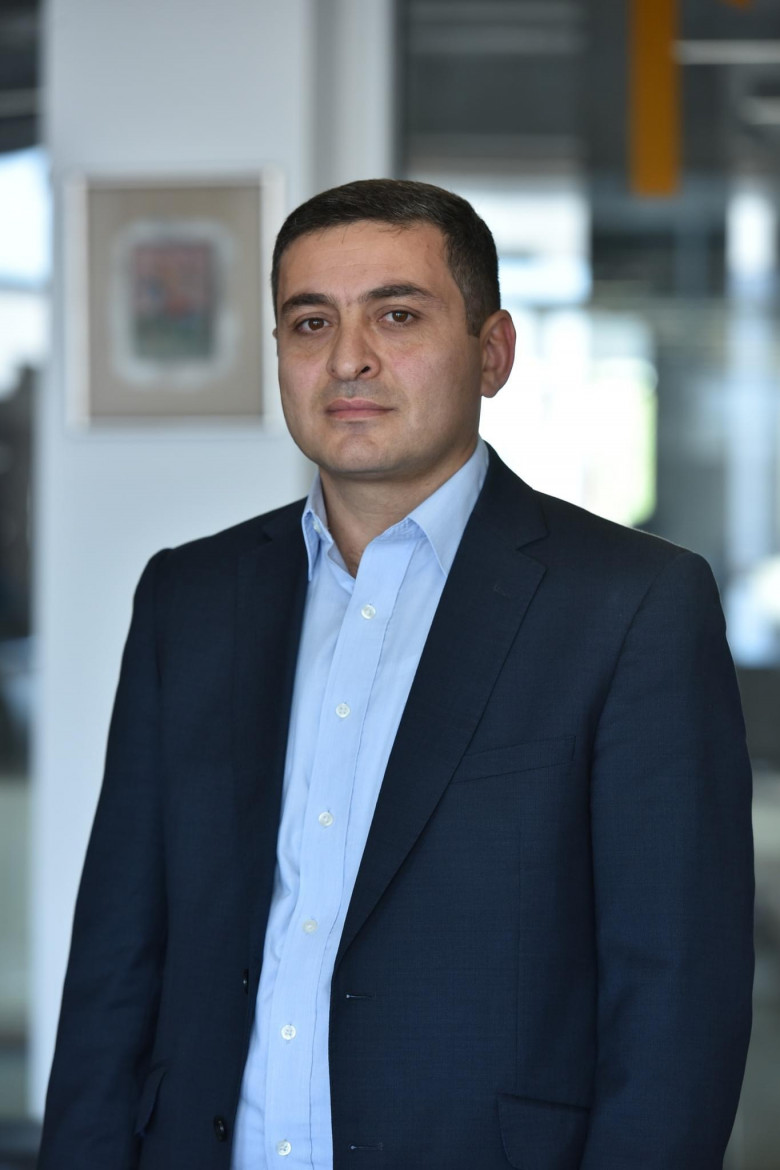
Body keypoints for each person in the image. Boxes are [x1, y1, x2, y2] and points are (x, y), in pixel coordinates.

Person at [39, 179, 754, 1170]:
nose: (348, 359)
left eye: (398, 315)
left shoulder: (631, 606)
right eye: (310, 322)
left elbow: (676, 1001)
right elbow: (116, 963)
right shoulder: (189, 599)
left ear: (493, 352)